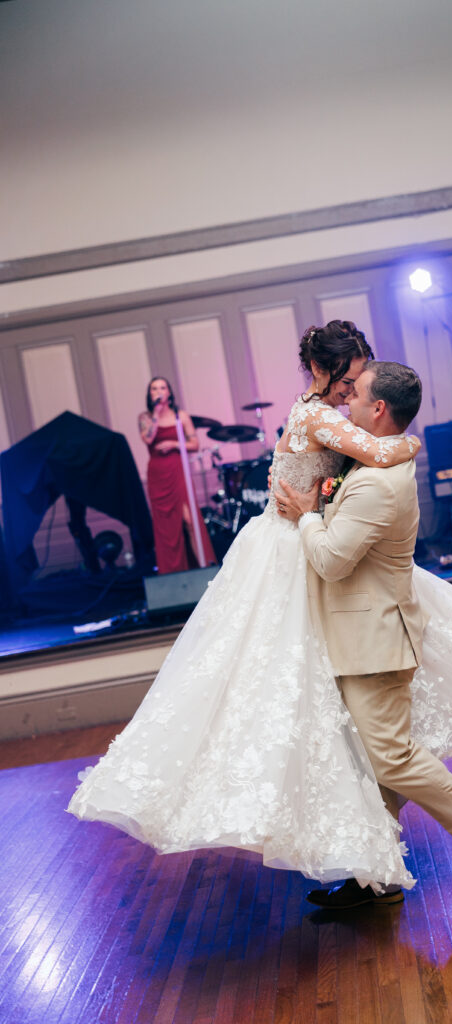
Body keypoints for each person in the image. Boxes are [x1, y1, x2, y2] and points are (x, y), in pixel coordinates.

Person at [68, 323, 421, 891]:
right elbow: (381, 450)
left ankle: (363, 845)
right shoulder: (316, 415)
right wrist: (413, 442)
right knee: (291, 688)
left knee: (319, 696)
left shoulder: (312, 409)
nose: (353, 388)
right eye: (350, 376)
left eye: (359, 379)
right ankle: (349, 843)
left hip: (298, 542)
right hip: (291, 551)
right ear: (324, 370)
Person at [276, 361, 452, 908]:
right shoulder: (370, 463)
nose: (345, 402)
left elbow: (330, 560)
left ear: (379, 409)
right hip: (358, 633)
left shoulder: (377, 485)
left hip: (373, 639)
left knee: (390, 758)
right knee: (367, 761)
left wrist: (307, 515)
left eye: (356, 396)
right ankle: (375, 875)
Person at [139, 377, 214, 574]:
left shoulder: (181, 416)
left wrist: (173, 445)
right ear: (150, 394)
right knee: (166, 527)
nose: (159, 391)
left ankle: (203, 567)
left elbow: (194, 444)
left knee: (189, 520)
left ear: (169, 392)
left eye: (162, 387)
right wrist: (156, 413)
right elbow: (147, 438)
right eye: (154, 389)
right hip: (157, 473)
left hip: (177, 470)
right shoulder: (145, 417)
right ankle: (172, 573)